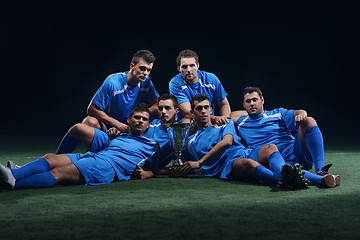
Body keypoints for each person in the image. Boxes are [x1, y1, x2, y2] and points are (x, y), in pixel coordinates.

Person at [0, 103, 159, 191]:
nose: (140, 121)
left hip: (107, 167)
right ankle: (14, 174)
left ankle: (12, 184)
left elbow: (160, 167)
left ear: (148, 124)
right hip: (96, 156)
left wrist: (149, 173)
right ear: (128, 120)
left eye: (144, 119)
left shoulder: (151, 145)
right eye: (137, 117)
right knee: (50, 158)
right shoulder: (120, 135)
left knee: (59, 173)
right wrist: (111, 135)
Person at [178, 93, 310, 189]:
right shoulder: (189, 140)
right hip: (228, 164)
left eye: (206, 107)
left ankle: (318, 179)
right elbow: (181, 163)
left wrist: (200, 163)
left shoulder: (224, 123)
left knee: (270, 147)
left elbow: (227, 141)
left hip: (243, 152)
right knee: (249, 164)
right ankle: (290, 179)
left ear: (211, 109)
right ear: (192, 112)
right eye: (199, 108)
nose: (203, 111)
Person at [231, 86, 340, 188]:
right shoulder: (240, 121)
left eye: (255, 100)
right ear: (244, 105)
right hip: (272, 157)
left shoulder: (277, 114)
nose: (252, 103)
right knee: (278, 157)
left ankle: (321, 170)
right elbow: (226, 116)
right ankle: (322, 180)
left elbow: (298, 112)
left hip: (295, 151)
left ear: (262, 100)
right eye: (248, 101)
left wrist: (302, 113)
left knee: (309, 121)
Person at [55, 49, 160, 154]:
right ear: (132, 66)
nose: (145, 73)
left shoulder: (146, 83)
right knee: (89, 122)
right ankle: (63, 156)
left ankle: (99, 153)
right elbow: (91, 109)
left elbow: (157, 104)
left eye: (148, 70)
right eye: (142, 68)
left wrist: (138, 116)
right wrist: (116, 124)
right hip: (107, 126)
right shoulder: (113, 82)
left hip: (129, 127)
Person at [168, 49, 233, 125]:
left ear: (198, 66)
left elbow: (224, 104)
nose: (189, 70)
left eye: (192, 65)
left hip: (212, 119)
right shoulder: (175, 83)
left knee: (237, 117)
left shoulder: (211, 79)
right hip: (190, 120)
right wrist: (215, 119)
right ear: (179, 68)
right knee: (188, 122)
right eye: (184, 67)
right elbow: (188, 113)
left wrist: (225, 120)